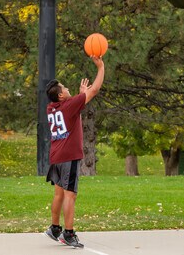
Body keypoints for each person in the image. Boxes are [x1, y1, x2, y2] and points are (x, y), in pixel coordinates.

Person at [43, 55, 104, 248]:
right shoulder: (69, 105)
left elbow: (72, 109)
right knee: (71, 195)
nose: (67, 89)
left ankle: (54, 228)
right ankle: (68, 234)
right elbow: (95, 90)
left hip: (56, 155)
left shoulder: (51, 107)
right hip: (69, 156)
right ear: (61, 96)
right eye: (64, 88)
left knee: (59, 194)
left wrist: (78, 96)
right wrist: (100, 67)